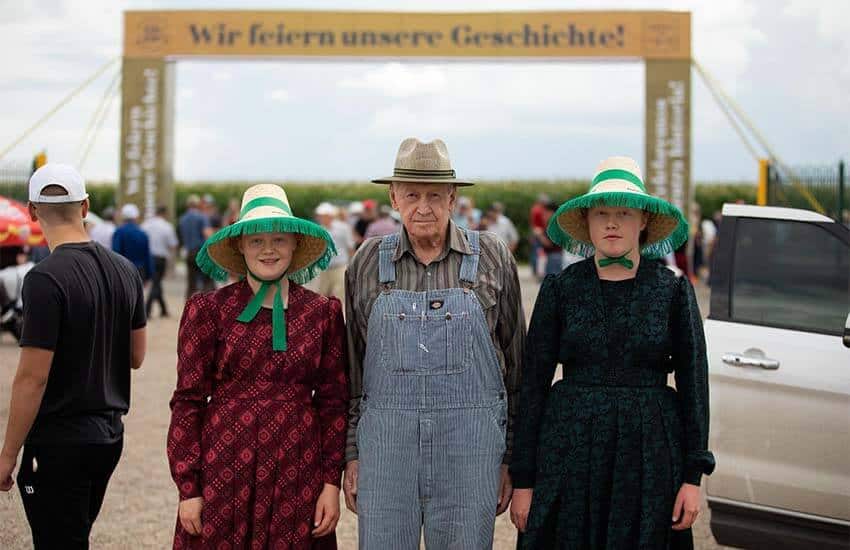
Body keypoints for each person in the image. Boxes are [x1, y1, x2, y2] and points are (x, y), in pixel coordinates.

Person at [509, 156, 715, 549]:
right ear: (587, 222)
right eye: (601, 213)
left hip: (649, 455)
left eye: (624, 213)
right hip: (569, 450)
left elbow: (694, 385)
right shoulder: (560, 289)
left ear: (644, 220)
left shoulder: (672, 291)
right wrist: (524, 480)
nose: (612, 223)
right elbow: (532, 387)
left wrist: (693, 477)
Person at [343, 138, 526, 549]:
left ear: (453, 197)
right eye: (411, 195)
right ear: (393, 197)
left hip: (471, 450)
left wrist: (511, 457)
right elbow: (354, 371)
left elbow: (518, 368)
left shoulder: (492, 256)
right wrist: (352, 454)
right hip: (387, 450)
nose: (423, 207)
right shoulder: (366, 261)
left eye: (434, 195)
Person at [166, 183, 348, 549]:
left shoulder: (322, 313)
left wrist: (331, 483)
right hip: (224, 466)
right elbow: (187, 402)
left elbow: (334, 403)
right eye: (256, 241)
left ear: (295, 244)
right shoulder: (209, 311)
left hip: (298, 469)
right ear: (240, 247)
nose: (268, 249)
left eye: (279, 239)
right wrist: (189, 487)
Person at [0, 163, 146, 548]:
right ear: (85, 207)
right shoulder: (126, 270)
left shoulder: (44, 278)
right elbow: (136, 356)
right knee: (73, 535)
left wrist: (8, 453)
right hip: (109, 436)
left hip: (58, 441)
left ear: (32, 211)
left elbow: (32, 377)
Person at [142, 205, 179, 318]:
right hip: (160, 258)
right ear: (164, 213)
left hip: (148, 257)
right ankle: (147, 310)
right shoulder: (167, 227)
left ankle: (163, 309)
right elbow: (173, 245)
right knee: (156, 283)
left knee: (156, 282)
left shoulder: (145, 225)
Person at [314, 202, 354, 303]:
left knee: (340, 296)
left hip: (340, 266)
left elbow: (350, 246)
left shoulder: (343, 228)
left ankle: (340, 313)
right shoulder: (319, 230)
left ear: (330, 215)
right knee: (323, 295)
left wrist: (352, 265)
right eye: (320, 216)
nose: (320, 218)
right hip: (324, 268)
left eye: (323, 216)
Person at [178, 194, 211, 300]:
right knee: (207, 282)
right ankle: (206, 305)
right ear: (197, 205)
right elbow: (207, 234)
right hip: (201, 253)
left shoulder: (182, 219)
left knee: (191, 283)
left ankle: (189, 305)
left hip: (189, 253)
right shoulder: (202, 217)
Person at [112, 203, 155, 284]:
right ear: (136, 216)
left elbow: (115, 253)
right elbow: (147, 255)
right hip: (140, 271)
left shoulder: (119, 232)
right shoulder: (142, 233)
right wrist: (149, 275)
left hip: (123, 271)